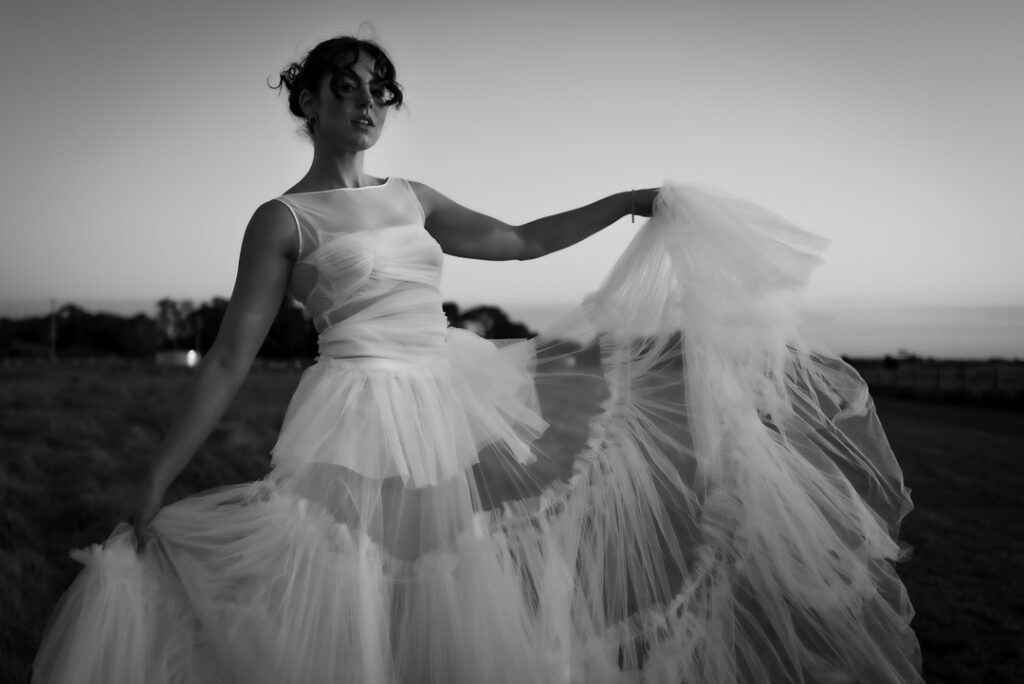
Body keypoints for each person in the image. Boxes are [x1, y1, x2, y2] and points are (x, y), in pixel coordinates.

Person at [31, 35, 923, 684]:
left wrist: (625, 202)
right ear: (306, 102)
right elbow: (229, 357)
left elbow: (520, 241)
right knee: (355, 589)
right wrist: (156, 479)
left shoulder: (412, 197)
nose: (367, 103)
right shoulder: (283, 221)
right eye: (346, 88)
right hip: (359, 409)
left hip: (454, 391)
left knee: (462, 575)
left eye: (380, 90)